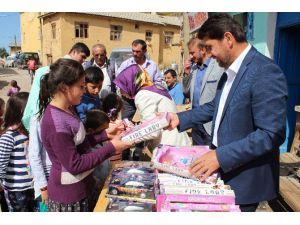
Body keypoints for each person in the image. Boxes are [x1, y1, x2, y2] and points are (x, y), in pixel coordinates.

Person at [166, 14, 288, 212]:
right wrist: (179, 118)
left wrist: (220, 156)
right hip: (222, 170)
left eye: (210, 47)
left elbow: (270, 134)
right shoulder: (230, 71)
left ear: (228, 39)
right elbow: (216, 107)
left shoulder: (265, 72)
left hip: (244, 178)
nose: (209, 55)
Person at [38, 58, 132, 212]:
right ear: (64, 87)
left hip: (83, 187)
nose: (84, 91)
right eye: (81, 86)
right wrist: (112, 147)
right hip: (69, 199)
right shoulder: (55, 124)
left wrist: (105, 134)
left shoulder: (68, 108)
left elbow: (77, 143)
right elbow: (75, 165)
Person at [114, 64, 191, 153]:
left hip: (169, 148)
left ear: (130, 82)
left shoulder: (143, 95)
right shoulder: (156, 88)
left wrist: (124, 138)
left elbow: (152, 131)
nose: (121, 91)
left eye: (122, 86)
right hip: (178, 142)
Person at [22, 42, 90, 131]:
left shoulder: (68, 70)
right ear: (74, 52)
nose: (83, 61)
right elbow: (35, 101)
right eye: (82, 56)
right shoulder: (53, 71)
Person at [182, 37, 224, 145]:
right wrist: (186, 73)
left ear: (203, 50)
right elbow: (186, 93)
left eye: (192, 53)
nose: (191, 56)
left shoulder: (218, 66)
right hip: (196, 123)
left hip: (210, 125)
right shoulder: (194, 68)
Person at [0, 92, 37, 212]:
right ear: (21, 112)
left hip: (33, 186)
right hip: (15, 189)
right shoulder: (8, 137)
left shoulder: (30, 133)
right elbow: (1, 164)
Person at [116, 39, 165, 121]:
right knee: (126, 123)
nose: (134, 54)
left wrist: (152, 89)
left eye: (138, 51)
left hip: (147, 101)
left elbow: (159, 82)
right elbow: (118, 82)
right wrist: (122, 91)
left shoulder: (153, 66)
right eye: (133, 51)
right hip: (128, 102)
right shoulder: (125, 64)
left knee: (146, 123)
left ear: (145, 51)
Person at [84, 109, 111, 189]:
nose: (106, 133)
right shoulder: (87, 149)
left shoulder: (102, 142)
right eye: (103, 131)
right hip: (96, 186)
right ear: (90, 131)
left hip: (105, 182)